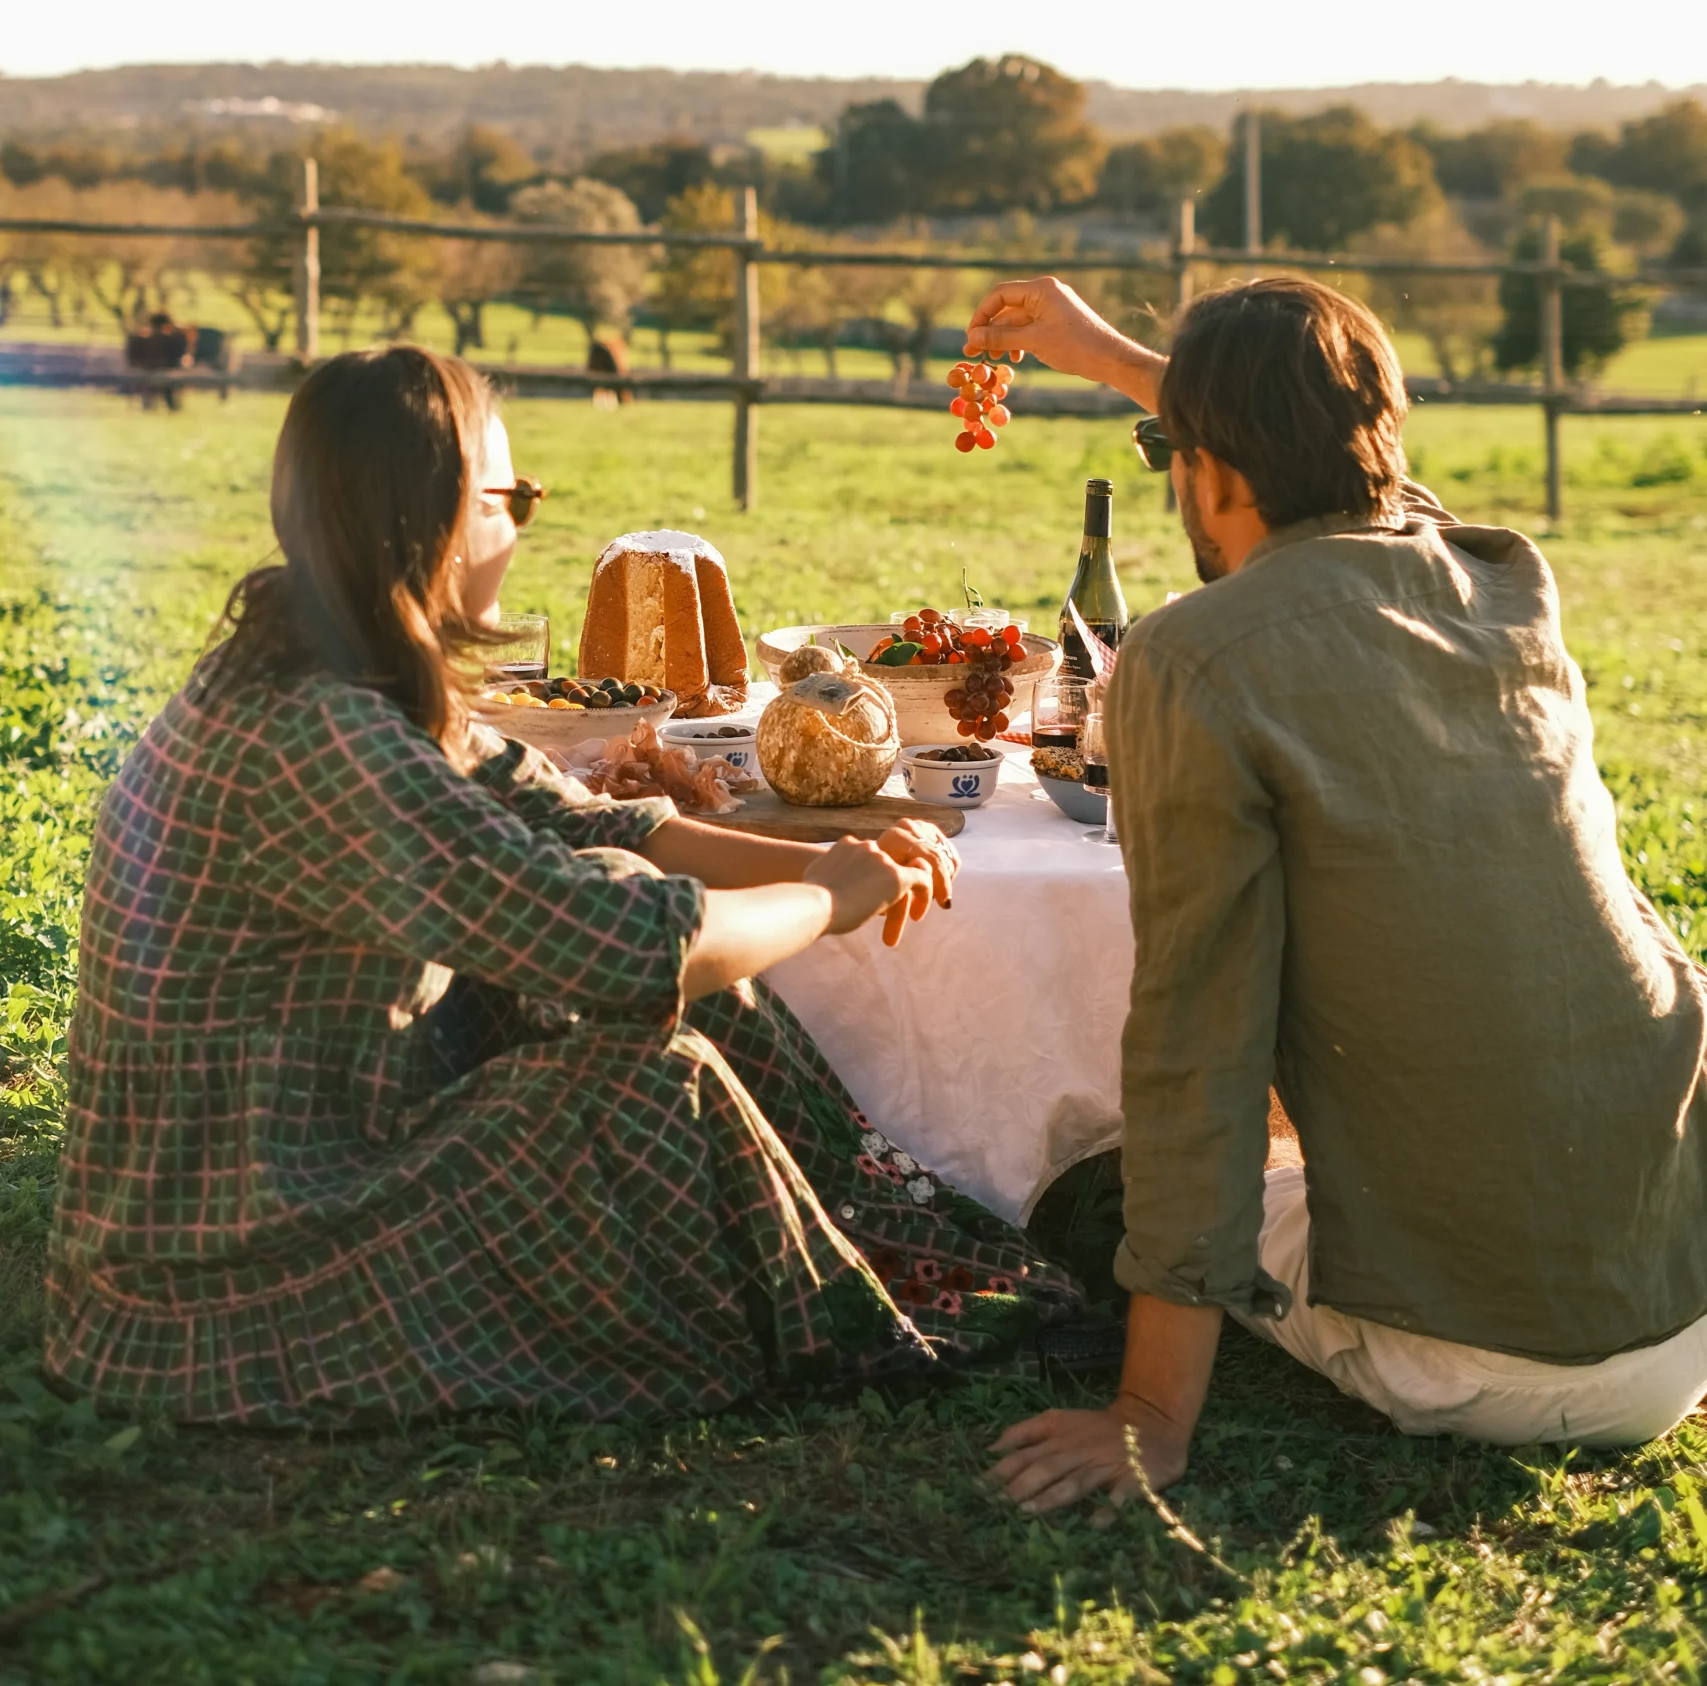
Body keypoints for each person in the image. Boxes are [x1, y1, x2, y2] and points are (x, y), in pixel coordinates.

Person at [45, 345, 1076, 1429]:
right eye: (514, 498)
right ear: (442, 520)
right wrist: (829, 901)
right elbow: (624, 942)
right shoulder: (318, 734)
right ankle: (844, 1299)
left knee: (629, 892)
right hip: (211, 1281)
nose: (522, 524)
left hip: (305, 1156)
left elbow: (584, 821)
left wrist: (829, 861)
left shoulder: (329, 660)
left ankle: (881, 1246)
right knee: (647, 1080)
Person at [958, 274, 1707, 1511]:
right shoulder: (1500, 578)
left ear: (1207, 470)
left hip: (1489, 1359)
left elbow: (1200, 1037)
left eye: (1172, 455)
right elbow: (1368, 488)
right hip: (1681, 1292)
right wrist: (1127, 365)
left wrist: (1148, 1416)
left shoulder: (1191, 655)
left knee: (1083, 1179)